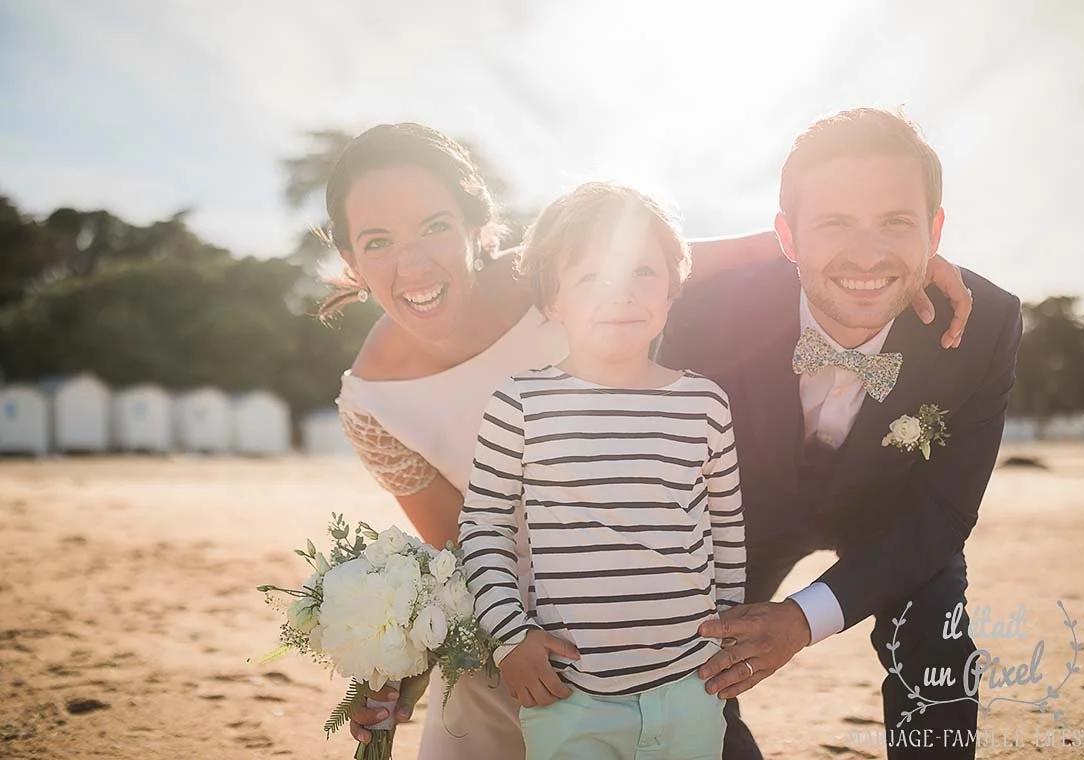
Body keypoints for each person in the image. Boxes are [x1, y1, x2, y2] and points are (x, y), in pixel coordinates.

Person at [320, 122, 974, 758]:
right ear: (347, 258)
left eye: (435, 226)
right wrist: (405, 657)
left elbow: (739, 253)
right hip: (532, 641)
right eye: (377, 242)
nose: (412, 264)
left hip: (662, 603)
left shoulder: (561, 268)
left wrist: (899, 263)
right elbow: (461, 550)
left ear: (477, 226)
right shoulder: (370, 405)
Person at [657, 108, 1022, 759]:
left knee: (936, 634)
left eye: (896, 222)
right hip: (739, 513)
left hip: (893, 509)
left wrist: (803, 619)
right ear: (787, 238)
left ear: (935, 231)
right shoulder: (710, 309)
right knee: (682, 661)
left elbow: (943, 513)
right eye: (835, 224)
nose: (867, 253)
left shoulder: (986, 325)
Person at [458, 183, 746, 760]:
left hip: (692, 686)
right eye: (591, 277)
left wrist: (732, 636)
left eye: (643, 271)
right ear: (552, 298)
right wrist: (510, 637)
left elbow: (725, 531)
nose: (620, 295)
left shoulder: (705, 404)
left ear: (671, 287)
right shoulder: (521, 403)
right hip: (570, 695)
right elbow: (483, 527)